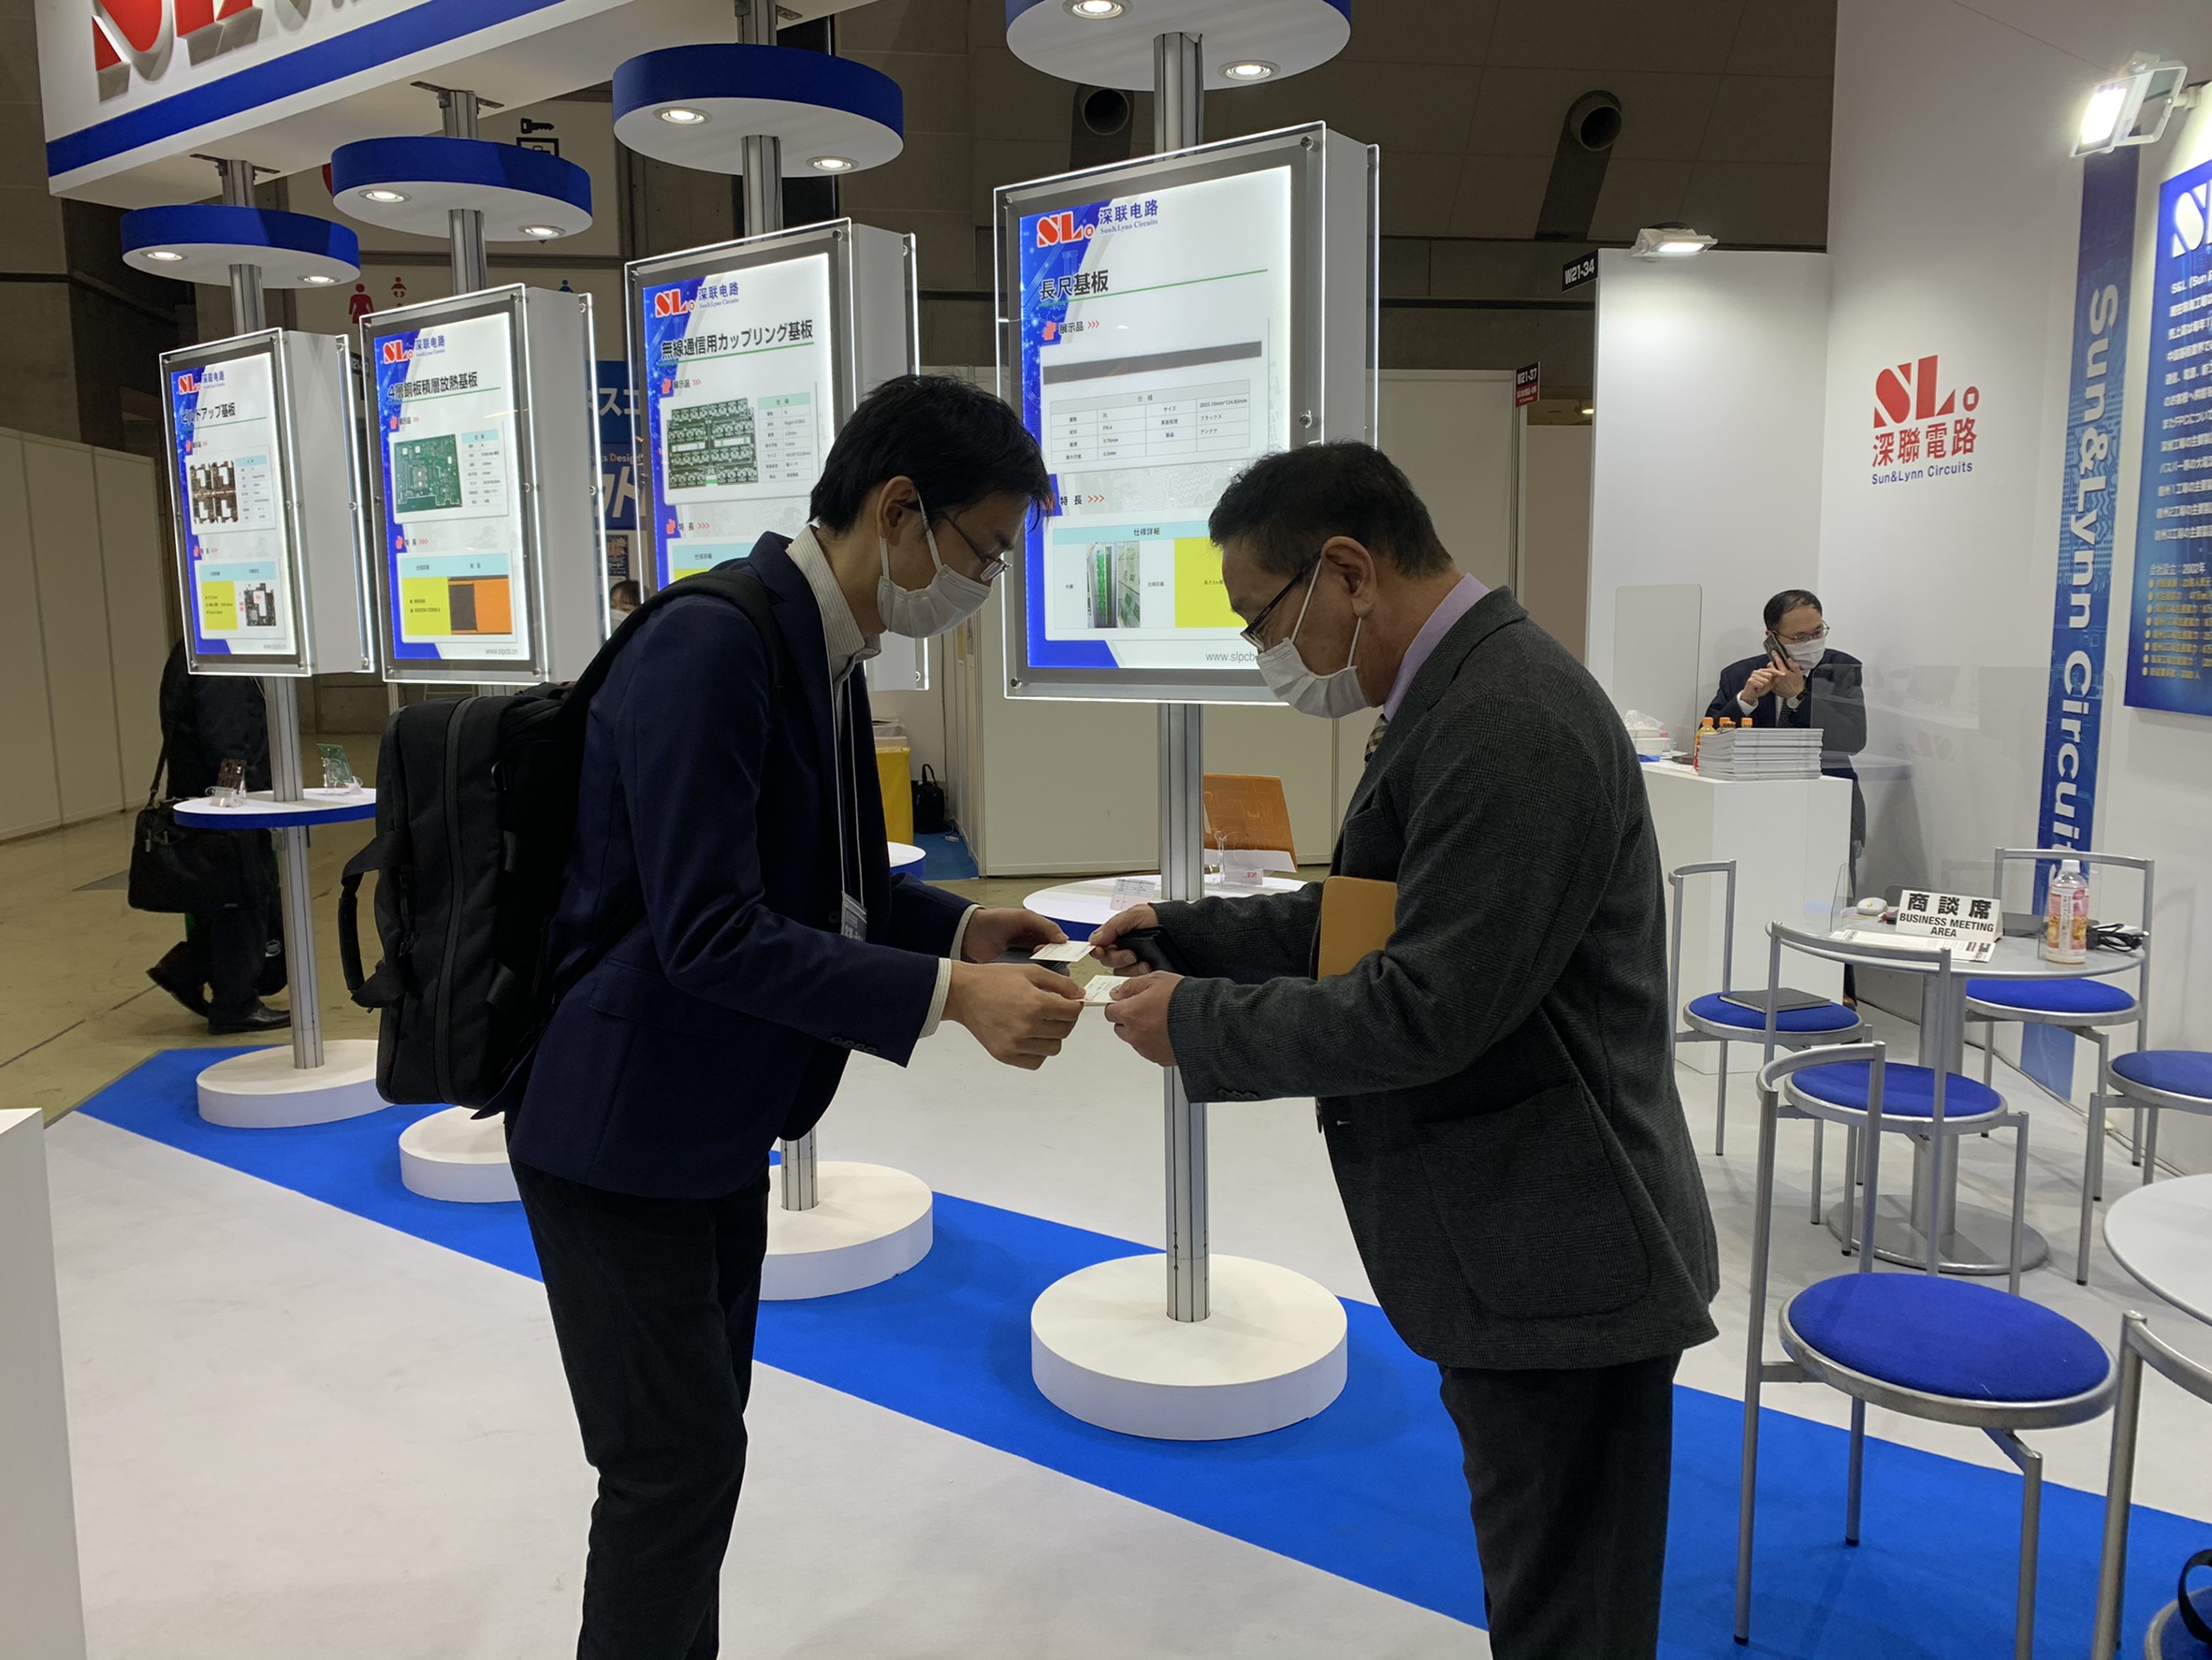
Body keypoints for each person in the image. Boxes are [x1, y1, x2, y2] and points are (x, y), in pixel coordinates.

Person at [1092, 442, 1718, 1660]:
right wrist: (1191, 932)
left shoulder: (1511, 721)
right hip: (1516, 1245)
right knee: (1544, 1589)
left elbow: (1426, 1005)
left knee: (1568, 1617)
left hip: (1564, 1257)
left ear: (1348, 572)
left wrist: (1197, 1023)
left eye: (1262, 619)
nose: (1266, 651)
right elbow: (1373, 917)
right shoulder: (1458, 696)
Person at [498, 374, 1085, 1660]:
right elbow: (711, 930)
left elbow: (830, 886)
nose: (983, 586)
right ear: (899, 509)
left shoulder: (819, 647)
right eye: (984, 551)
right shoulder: (715, 642)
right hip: (615, 1134)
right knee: (668, 1468)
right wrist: (950, 999)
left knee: (696, 1455)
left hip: (709, 1122)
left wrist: (961, 932)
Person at [144, 641, 287, 1034]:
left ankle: (184, 969)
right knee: (241, 900)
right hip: (226, 806)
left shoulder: (192, 650)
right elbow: (225, 740)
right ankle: (235, 1003)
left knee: (220, 900)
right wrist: (240, 802)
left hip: (205, 800)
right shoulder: (218, 662)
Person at [1705, 587, 1868, 850]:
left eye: (1818, 632)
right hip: (1754, 807)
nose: (1811, 643)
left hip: (1827, 804)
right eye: (1800, 637)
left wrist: (1799, 696)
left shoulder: (1841, 669)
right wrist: (1745, 700)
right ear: (1772, 638)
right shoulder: (1738, 675)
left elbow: (1853, 739)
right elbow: (1708, 740)